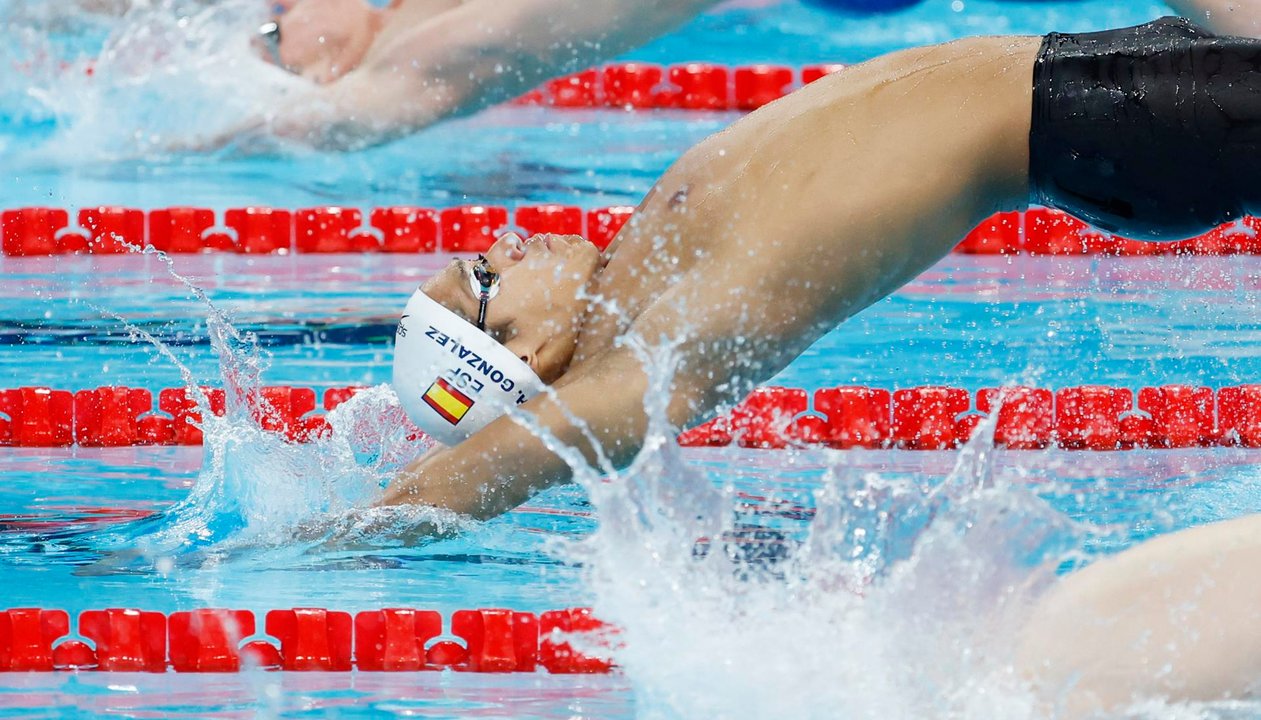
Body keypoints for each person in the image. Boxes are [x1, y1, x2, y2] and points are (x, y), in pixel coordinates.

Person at [379, 17, 1261, 710]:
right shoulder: (669, 342)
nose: (501, 240)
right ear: (527, 352)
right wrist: (354, 527)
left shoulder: (640, 272)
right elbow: (500, 462)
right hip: (1131, 119)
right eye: (486, 277)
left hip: (1096, 75)